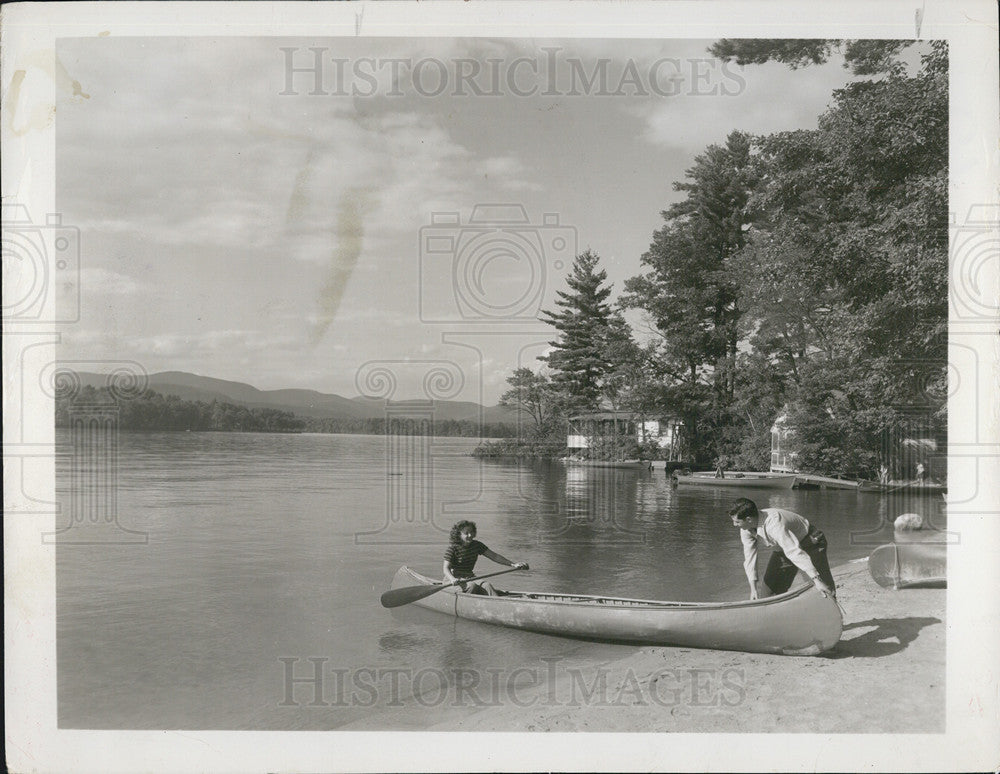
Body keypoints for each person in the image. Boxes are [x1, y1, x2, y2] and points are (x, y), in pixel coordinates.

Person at [728, 498, 836, 600]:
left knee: (822, 586)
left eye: (737, 522)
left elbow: (793, 551)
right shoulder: (745, 528)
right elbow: (750, 558)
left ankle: (833, 613)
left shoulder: (774, 523)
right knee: (768, 595)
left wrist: (816, 579)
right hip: (783, 548)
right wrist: (753, 589)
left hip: (811, 542)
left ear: (748, 519)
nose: (734, 525)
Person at [443, 520, 528, 596]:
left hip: (470, 577)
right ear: (459, 534)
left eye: (472, 532)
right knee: (472, 586)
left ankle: (498, 604)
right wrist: (452, 579)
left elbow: (494, 556)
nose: (470, 535)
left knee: (487, 585)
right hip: (454, 580)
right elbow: (446, 568)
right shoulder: (453, 548)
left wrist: (513, 564)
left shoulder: (477, 545)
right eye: (466, 533)